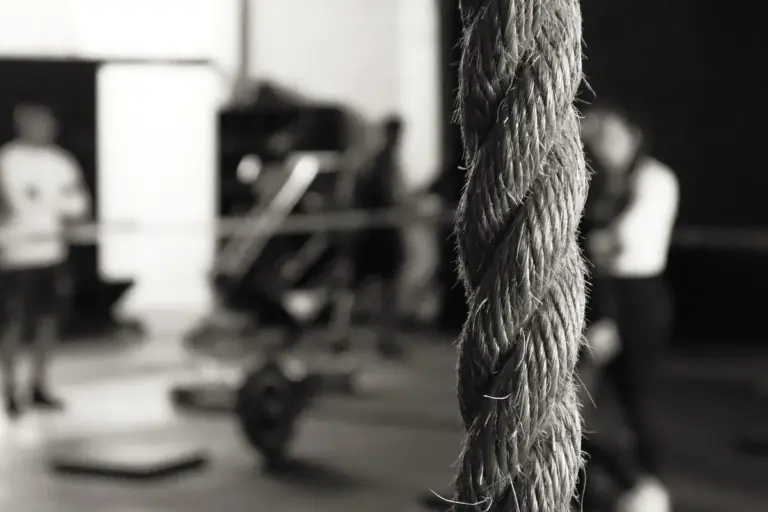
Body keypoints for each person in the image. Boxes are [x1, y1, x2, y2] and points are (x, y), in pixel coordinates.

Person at [577, 100, 679, 512]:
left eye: (612, 134)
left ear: (634, 136)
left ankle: (649, 489)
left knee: (633, 400)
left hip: (635, 300)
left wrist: (608, 319)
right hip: (605, 296)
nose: (603, 142)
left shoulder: (654, 179)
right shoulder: (606, 181)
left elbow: (619, 244)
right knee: (580, 402)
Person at [0, 104, 90, 419]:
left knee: (48, 321)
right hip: (17, 257)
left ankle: (38, 385)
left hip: (52, 255)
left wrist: (69, 215)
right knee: (14, 323)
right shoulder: (7, 161)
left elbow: (77, 204)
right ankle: (9, 389)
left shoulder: (61, 162)